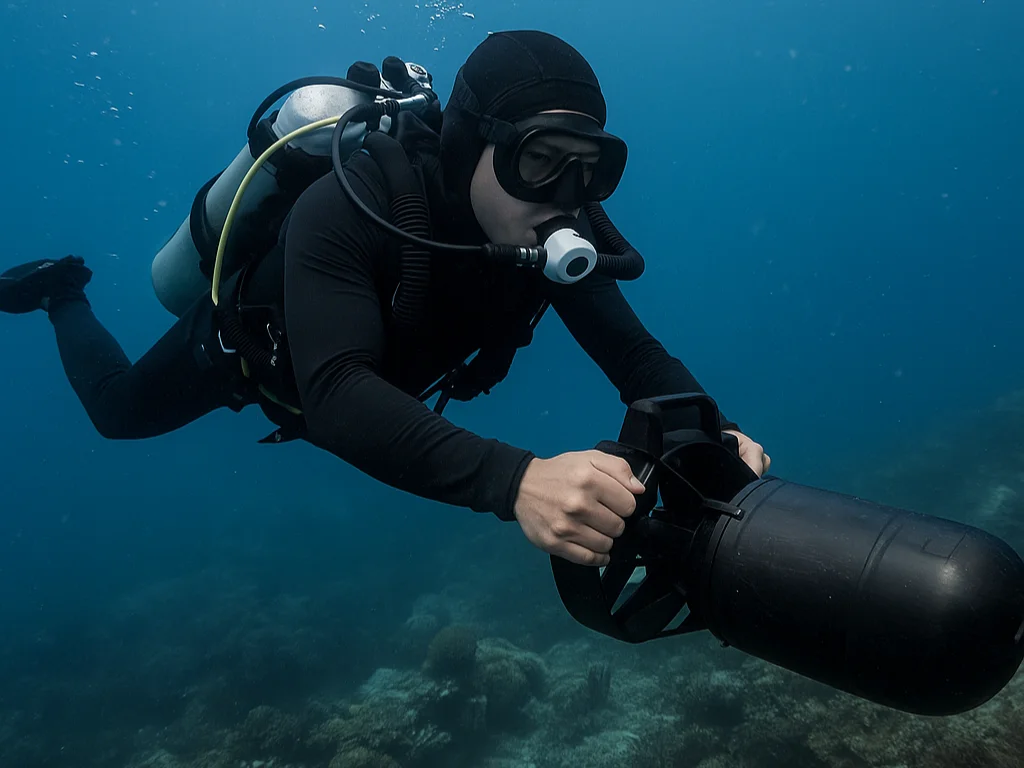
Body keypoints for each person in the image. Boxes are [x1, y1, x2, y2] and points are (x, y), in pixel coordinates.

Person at [0, 30, 769, 567]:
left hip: (365, 379)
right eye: (540, 159)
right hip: (253, 356)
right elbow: (336, 393)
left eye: (590, 168)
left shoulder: (550, 230)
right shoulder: (353, 202)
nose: (565, 194)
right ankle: (62, 293)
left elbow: (635, 356)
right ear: (473, 144)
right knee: (119, 413)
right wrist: (517, 481)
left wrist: (716, 429)